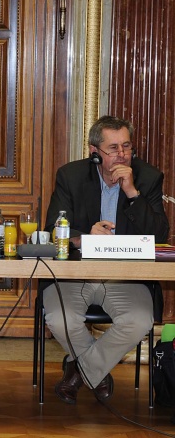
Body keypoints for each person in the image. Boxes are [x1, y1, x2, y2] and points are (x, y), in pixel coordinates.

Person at [44, 115, 169, 404]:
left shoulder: (147, 177)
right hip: (76, 273)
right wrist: (84, 237)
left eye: (126, 146)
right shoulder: (70, 175)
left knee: (139, 321)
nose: (122, 154)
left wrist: (132, 193)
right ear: (94, 153)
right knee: (60, 319)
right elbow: (53, 228)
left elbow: (159, 235)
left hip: (126, 275)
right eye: (113, 148)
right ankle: (96, 371)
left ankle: (81, 370)